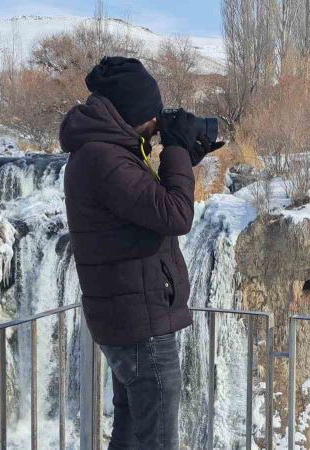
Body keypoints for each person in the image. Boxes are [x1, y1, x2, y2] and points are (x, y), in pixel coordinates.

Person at [60, 56, 221, 449]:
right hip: (140, 325)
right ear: (132, 115)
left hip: (128, 317)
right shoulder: (105, 159)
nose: (155, 129)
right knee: (157, 441)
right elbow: (176, 214)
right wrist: (177, 151)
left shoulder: (104, 154)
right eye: (152, 121)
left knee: (130, 435)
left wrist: (184, 157)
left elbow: (150, 202)